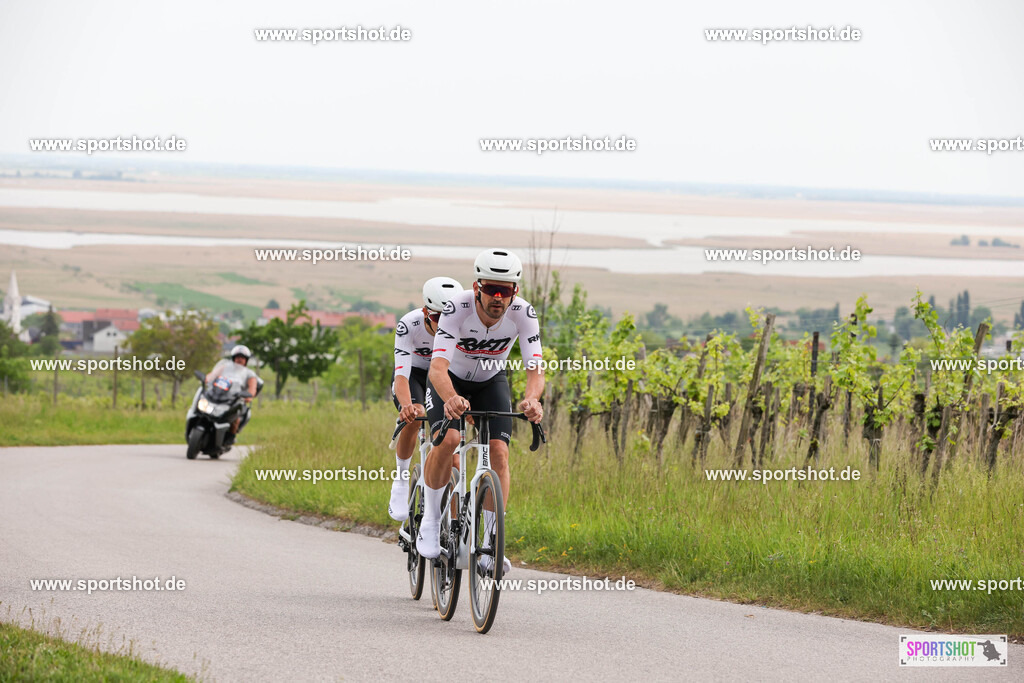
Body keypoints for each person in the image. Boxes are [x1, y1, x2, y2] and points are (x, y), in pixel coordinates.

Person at [416, 249, 544, 574]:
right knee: (449, 441)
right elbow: (438, 367)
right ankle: (431, 520)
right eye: (490, 289)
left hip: (491, 381)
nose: (498, 297)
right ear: (477, 286)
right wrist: (450, 398)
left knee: (500, 454)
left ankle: (489, 543)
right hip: (450, 379)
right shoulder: (456, 308)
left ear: (515, 291)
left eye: (506, 290)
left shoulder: (524, 313)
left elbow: (535, 369)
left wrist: (532, 399)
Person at [388, 277, 464, 521]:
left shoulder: (463, 327)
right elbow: (401, 374)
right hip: (414, 376)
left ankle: (454, 526)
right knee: (416, 415)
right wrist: (406, 405)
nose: (443, 326)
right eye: (436, 319)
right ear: (425, 313)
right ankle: (400, 479)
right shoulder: (408, 324)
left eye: (448, 319)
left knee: (452, 453)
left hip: (442, 378)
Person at [205, 344, 261, 447]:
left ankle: (231, 435)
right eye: (238, 357)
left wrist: (248, 396)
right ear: (233, 358)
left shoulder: (249, 374)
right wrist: (207, 380)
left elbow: (252, 389)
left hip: (236, 399)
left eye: (242, 358)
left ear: (246, 360)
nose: (239, 359)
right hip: (219, 395)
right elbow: (212, 375)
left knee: (236, 415)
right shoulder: (225, 367)